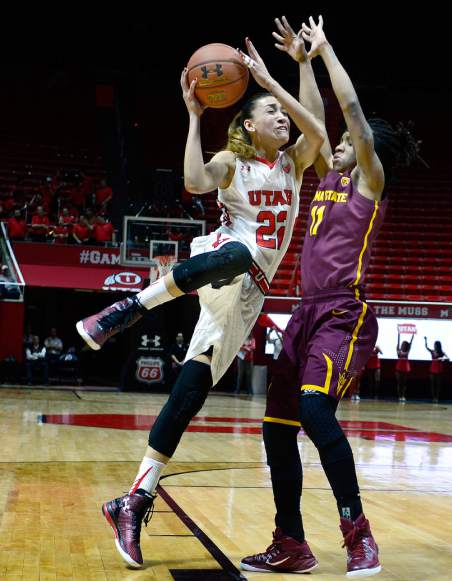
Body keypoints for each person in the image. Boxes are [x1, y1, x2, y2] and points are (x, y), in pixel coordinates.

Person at [76, 38, 325, 568]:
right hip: (220, 261)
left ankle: (134, 497)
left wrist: (298, 69)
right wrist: (193, 117)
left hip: (248, 294)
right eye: (272, 112)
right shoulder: (233, 162)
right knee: (239, 249)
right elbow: (193, 181)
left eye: (284, 112)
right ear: (249, 126)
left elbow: (319, 127)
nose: (284, 118)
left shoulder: (294, 165)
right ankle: (126, 309)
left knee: (190, 390)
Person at [241, 16, 421, 577]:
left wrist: (327, 51)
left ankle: (358, 535)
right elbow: (315, 121)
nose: (338, 146)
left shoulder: (369, 178)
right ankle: (291, 542)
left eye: (346, 145)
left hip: (344, 311)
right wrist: (299, 64)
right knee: (277, 427)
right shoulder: (327, 179)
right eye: (338, 146)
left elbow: (352, 119)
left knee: (316, 409)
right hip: (304, 313)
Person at [424, 337, 449, 403]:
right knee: (433, 384)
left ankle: (437, 397)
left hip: (439, 369)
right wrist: (425, 341)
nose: (434, 346)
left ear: (438, 346)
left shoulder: (442, 352)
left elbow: (448, 358)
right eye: (434, 345)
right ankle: (433, 397)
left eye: (435, 345)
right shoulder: (432, 351)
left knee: (438, 385)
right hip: (432, 369)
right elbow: (426, 347)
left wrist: (442, 359)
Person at [396, 332, 414, 403]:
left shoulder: (407, 351)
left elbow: (411, 343)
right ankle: (399, 396)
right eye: (402, 344)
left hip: (405, 367)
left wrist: (412, 335)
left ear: (406, 345)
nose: (402, 345)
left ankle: (403, 396)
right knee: (399, 383)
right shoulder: (399, 350)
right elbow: (398, 341)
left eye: (404, 344)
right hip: (399, 367)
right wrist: (399, 334)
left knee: (404, 383)